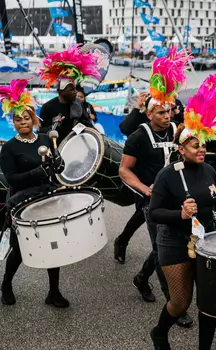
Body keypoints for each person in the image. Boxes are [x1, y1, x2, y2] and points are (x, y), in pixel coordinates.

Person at [148, 72, 216, 349]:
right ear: (182, 148)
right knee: (180, 303)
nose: (201, 149)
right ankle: (159, 332)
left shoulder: (209, 170)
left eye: (203, 144)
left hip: (206, 241)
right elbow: (154, 212)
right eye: (195, 145)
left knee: (209, 300)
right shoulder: (168, 175)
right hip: (175, 241)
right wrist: (179, 214)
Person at [118, 46, 194, 328]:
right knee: (165, 253)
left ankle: (140, 278)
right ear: (149, 113)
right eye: (161, 112)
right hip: (152, 203)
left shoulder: (177, 131)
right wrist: (146, 190)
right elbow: (123, 170)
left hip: (179, 201)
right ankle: (175, 304)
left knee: (167, 248)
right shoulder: (139, 136)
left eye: (169, 111)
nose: (166, 115)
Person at [0, 79, 66, 307]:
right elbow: (12, 179)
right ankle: (6, 283)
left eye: (26, 118)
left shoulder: (46, 138)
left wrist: (58, 164)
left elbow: (58, 168)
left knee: (53, 244)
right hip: (22, 201)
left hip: (47, 197)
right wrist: (37, 173)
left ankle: (53, 292)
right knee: (19, 249)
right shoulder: (9, 148)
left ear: (33, 118)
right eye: (18, 120)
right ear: (13, 122)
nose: (23, 123)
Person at [37, 45, 99, 142]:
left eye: (74, 89)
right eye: (71, 89)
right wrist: (54, 126)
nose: (75, 92)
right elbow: (40, 131)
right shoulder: (47, 107)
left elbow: (87, 123)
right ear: (60, 91)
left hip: (75, 146)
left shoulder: (78, 103)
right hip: (57, 149)